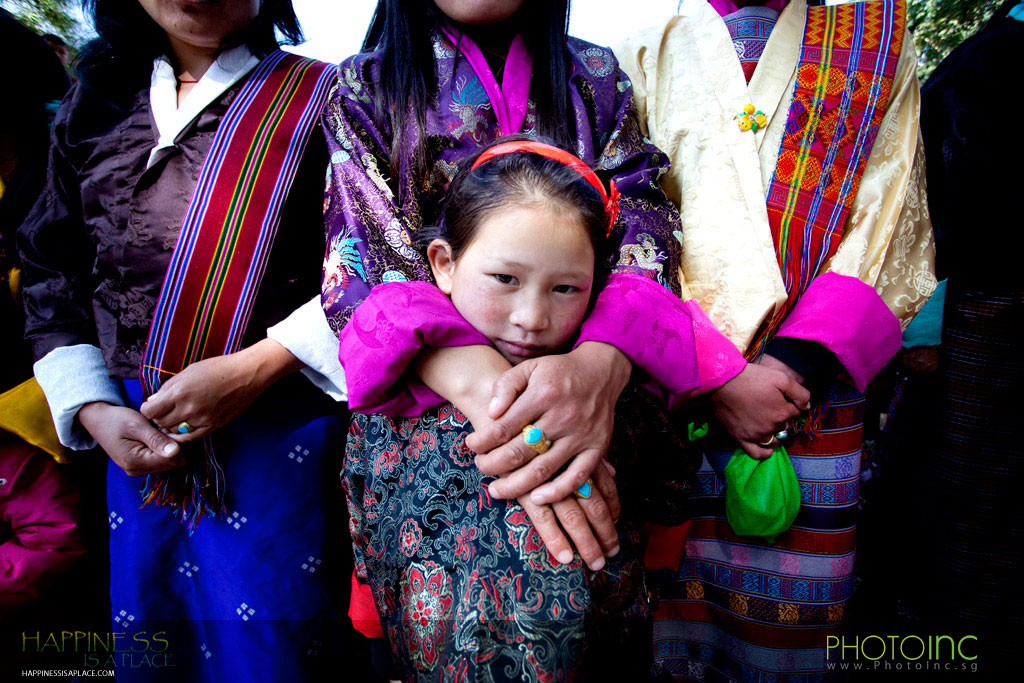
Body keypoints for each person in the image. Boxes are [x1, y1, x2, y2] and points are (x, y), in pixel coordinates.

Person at [321, 0, 758, 584]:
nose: (526, 317)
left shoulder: (597, 76)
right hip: (429, 395)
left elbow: (645, 221)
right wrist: (505, 407)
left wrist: (598, 367)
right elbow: (365, 249)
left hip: (591, 385)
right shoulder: (363, 85)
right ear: (442, 263)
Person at [18, 1, 352, 680]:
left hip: (279, 432)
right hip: (131, 440)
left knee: (273, 644)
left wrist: (261, 366)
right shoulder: (97, 104)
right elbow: (52, 267)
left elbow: (368, 265)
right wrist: (91, 406)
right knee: (151, 629)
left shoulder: (328, 99)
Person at [615, 0, 936, 678]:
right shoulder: (636, 54)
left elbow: (891, 215)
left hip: (805, 388)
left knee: (790, 635)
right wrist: (717, 374)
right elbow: (624, 222)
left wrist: (788, 364)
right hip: (671, 388)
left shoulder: (873, 46)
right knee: (667, 617)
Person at [339, 137, 701, 680]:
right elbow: (374, 331)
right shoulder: (403, 357)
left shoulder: (606, 388)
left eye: (564, 288)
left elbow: (667, 482)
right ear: (443, 262)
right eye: (505, 279)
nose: (531, 317)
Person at [918, 0, 1024, 674]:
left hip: (984, 301)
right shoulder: (988, 63)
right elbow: (929, 205)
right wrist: (925, 328)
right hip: (989, 301)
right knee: (978, 496)